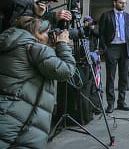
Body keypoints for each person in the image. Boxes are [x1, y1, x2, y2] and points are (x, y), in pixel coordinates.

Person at [0, 16, 75, 148]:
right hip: (24, 117)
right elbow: (66, 70)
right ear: (36, 33)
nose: (49, 36)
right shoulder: (34, 47)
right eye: (47, 33)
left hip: (7, 109)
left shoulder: (11, 43)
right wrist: (62, 44)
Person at [98, 0, 129, 113]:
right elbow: (101, 33)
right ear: (114, 3)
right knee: (110, 77)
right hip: (112, 49)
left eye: (125, 3)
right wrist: (104, 48)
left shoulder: (128, 17)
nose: (123, 5)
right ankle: (110, 104)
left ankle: (121, 102)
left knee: (123, 77)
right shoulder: (106, 15)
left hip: (125, 49)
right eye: (121, 2)